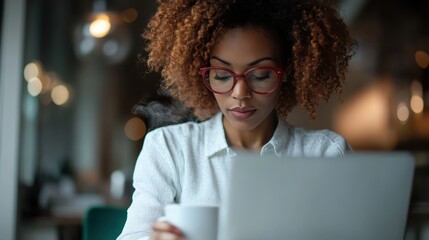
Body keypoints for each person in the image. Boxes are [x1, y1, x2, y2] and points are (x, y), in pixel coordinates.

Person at [118, 0, 356, 239]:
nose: (240, 93)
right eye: (222, 75)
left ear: (287, 73)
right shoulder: (169, 148)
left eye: (261, 75)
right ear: (206, 76)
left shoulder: (326, 154)